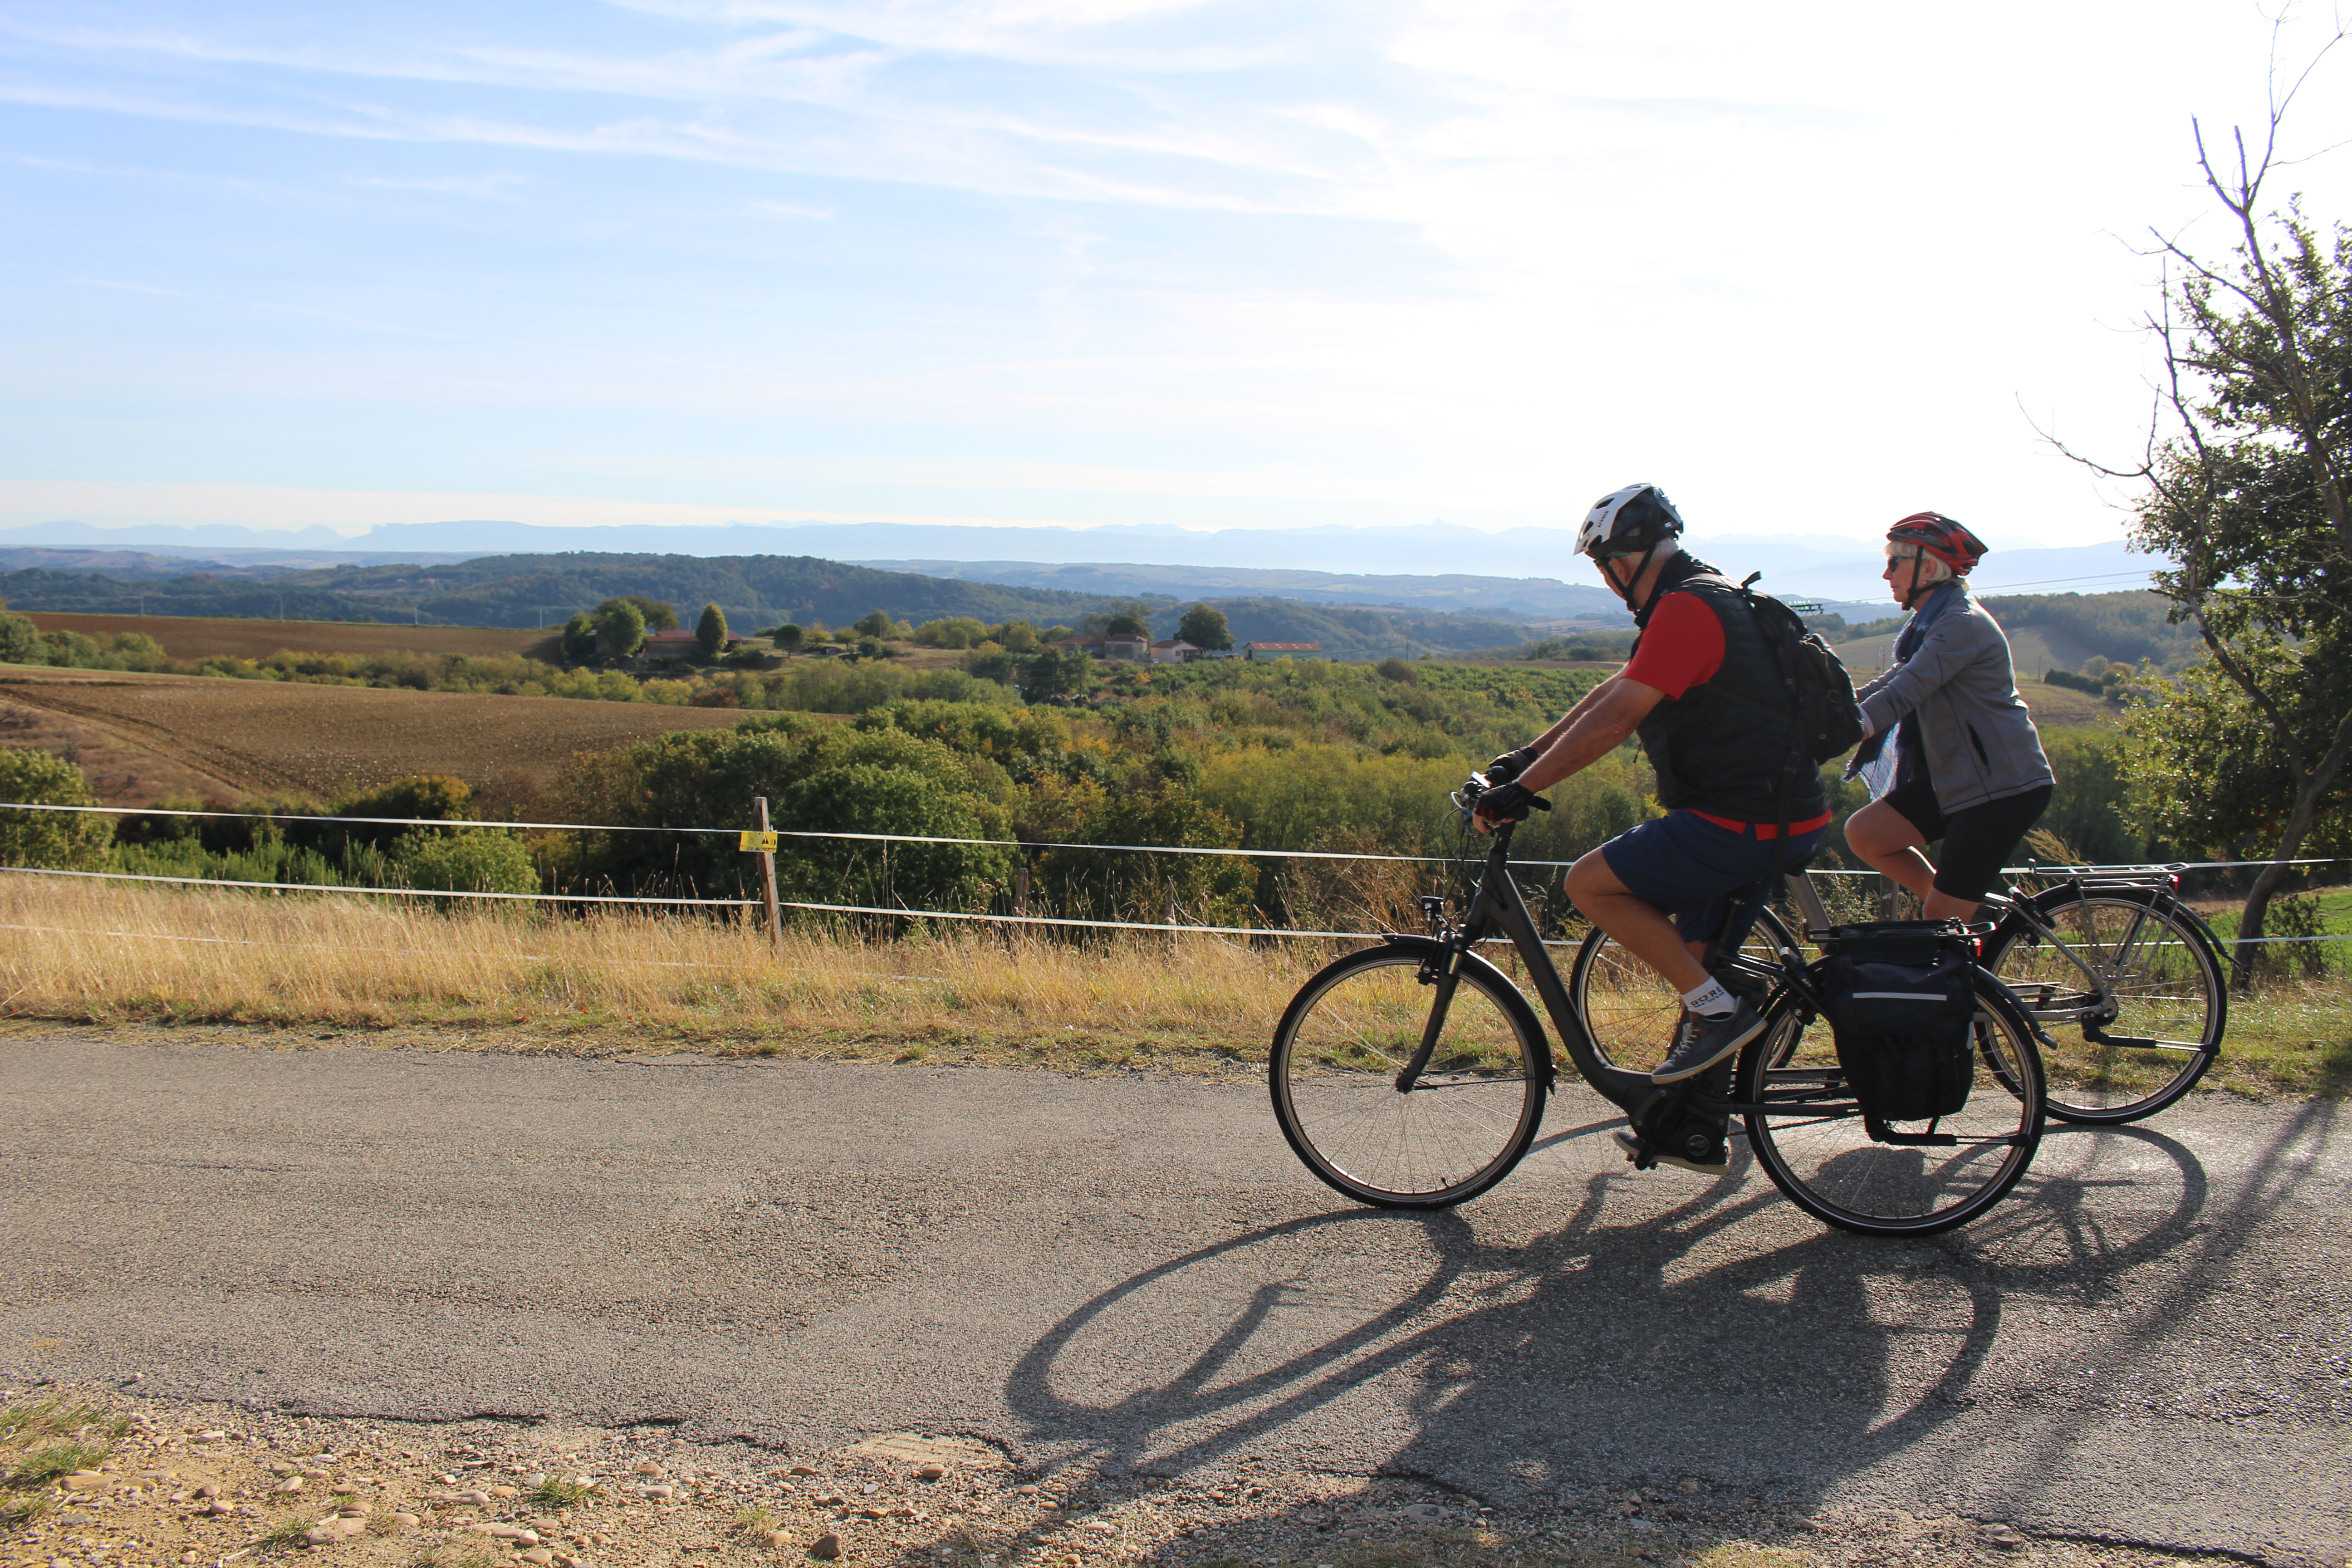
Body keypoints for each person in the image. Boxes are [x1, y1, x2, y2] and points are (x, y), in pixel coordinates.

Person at [1473, 484, 1830, 1160]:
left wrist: (1522, 790)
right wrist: (1525, 757)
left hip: (1741, 819)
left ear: (1627, 558)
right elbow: (1613, 689)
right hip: (1774, 812)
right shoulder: (1701, 595)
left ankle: (1722, 1009)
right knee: (1700, 963)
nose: (1607, 584)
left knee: (1591, 886)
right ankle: (1691, 1125)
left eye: (1604, 567)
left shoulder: (1689, 608)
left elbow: (1617, 719)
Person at [1842, 514, 2053, 918]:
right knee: (1866, 834)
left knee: (1938, 924)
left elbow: (1906, 692)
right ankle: (1973, 917)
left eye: (1895, 563)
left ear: (1929, 567)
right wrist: (1824, 714)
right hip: (1960, 776)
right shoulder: (1935, 621)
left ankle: (1958, 925)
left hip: (2001, 789)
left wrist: (1844, 729)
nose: (1886, 574)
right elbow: (1892, 681)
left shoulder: (1961, 625)